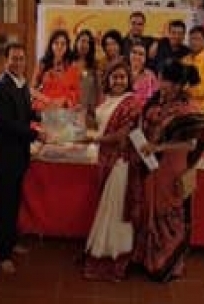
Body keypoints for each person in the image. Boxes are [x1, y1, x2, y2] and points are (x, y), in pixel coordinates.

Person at [128, 60, 202, 282]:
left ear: (178, 84)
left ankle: (166, 263)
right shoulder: (158, 99)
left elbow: (191, 144)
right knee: (149, 206)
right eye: (161, 79)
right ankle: (148, 257)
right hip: (150, 162)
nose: (161, 84)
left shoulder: (187, 109)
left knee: (166, 210)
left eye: (165, 80)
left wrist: (158, 147)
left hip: (171, 166)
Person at [0, 42, 46, 274]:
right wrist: (35, 134)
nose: (18, 62)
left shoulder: (21, 84)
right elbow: (5, 123)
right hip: (4, 158)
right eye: (14, 58)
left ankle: (10, 242)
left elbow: (24, 113)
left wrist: (42, 115)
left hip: (19, 156)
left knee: (14, 203)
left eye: (21, 58)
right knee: (4, 206)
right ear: (6, 60)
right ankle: (2, 254)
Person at [82, 59, 141, 281]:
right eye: (115, 77)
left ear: (128, 79)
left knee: (115, 209)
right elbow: (97, 124)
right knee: (106, 207)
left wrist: (95, 139)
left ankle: (114, 255)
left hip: (120, 163)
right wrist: (85, 119)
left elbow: (123, 136)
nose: (118, 81)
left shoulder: (132, 103)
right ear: (108, 79)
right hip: (105, 158)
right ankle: (101, 249)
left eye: (122, 77)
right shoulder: (106, 99)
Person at [31, 29, 81, 111]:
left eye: (63, 44)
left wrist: (64, 100)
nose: (59, 46)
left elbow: (76, 92)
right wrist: (48, 100)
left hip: (64, 110)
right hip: (44, 108)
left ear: (67, 46)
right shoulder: (43, 64)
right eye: (56, 43)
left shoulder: (72, 67)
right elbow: (32, 90)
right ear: (51, 45)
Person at [71, 29, 100, 123]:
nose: (85, 45)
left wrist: (94, 111)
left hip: (86, 112)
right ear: (76, 42)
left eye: (88, 43)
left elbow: (97, 90)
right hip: (68, 111)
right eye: (82, 41)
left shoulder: (93, 65)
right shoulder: (68, 62)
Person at [128, 38, 159, 106]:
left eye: (141, 54)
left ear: (145, 58)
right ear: (129, 54)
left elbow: (156, 98)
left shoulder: (151, 76)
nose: (137, 56)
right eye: (134, 52)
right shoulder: (122, 72)